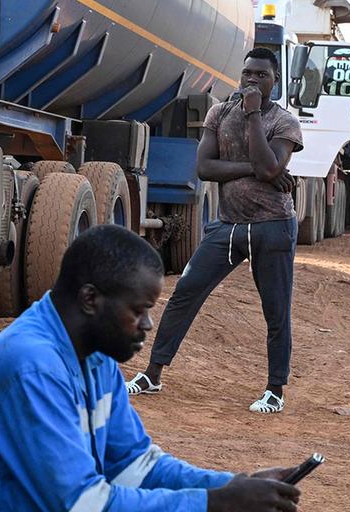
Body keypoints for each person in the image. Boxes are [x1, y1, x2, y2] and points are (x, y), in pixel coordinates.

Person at [0, 225, 302, 511]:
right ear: (91, 299)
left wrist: (233, 486)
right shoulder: (32, 366)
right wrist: (214, 503)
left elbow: (135, 464)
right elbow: (83, 504)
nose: (148, 325)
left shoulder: (96, 353)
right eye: (139, 310)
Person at [126, 47, 302, 414]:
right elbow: (205, 168)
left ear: (276, 81)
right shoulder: (219, 113)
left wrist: (254, 114)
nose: (252, 81)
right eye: (247, 74)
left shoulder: (284, 122)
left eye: (261, 76)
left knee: (276, 311)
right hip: (228, 225)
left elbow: (270, 165)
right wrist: (256, 168)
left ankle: (275, 390)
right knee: (185, 293)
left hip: (272, 228)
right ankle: (153, 374)